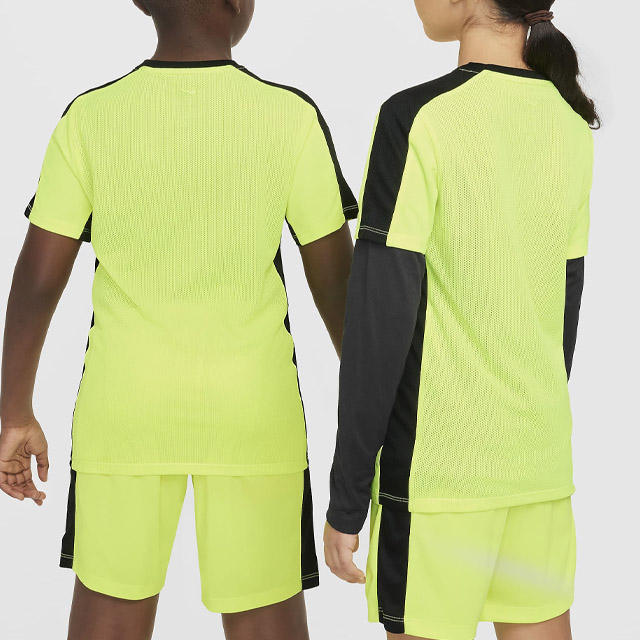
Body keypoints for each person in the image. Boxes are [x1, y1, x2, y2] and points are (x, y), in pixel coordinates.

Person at [0, 1, 357, 639]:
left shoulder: (91, 117)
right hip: (254, 409)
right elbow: (340, 292)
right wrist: (380, 420)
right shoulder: (288, 116)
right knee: (266, 615)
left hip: (124, 406)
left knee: (108, 615)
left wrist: (15, 413)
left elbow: (36, 281)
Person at [324, 0, 596, 639]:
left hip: (438, 481)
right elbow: (564, 309)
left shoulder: (416, 117)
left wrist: (348, 496)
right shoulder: (568, 122)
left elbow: (379, 323)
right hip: (538, 466)